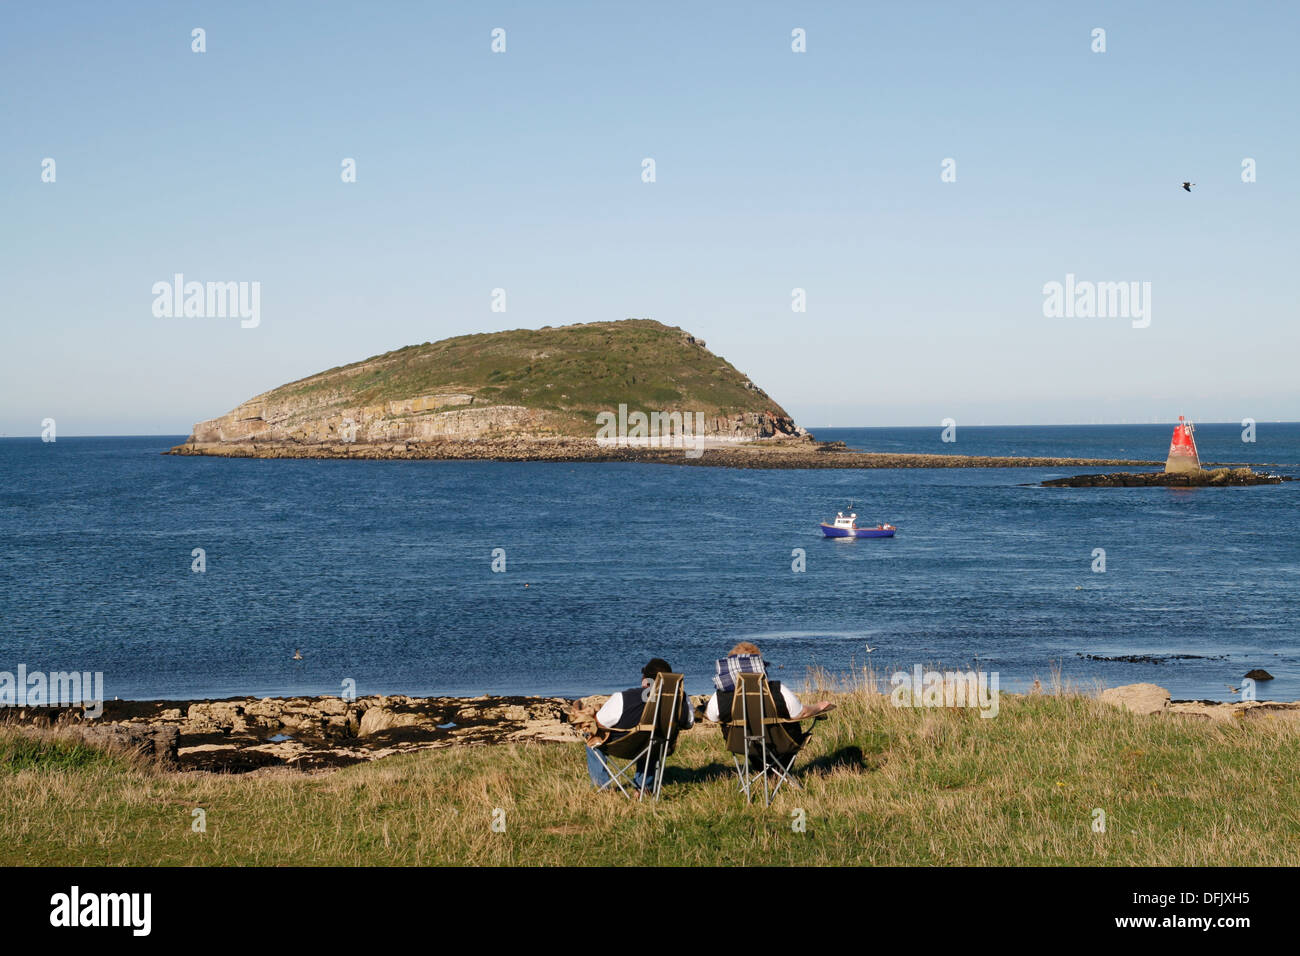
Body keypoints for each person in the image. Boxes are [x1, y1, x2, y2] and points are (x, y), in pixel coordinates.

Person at [580, 657, 694, 790]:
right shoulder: (681, 699)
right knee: (653, 738)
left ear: (645, 679)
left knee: (591, 737)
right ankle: (644, 788)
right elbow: (689, 723)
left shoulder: (623, 698)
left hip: (624, 745)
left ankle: (601, 786)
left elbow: (599, 722)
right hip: (658, 745)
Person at [704, 642, 832, 723]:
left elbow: (711, 717)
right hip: (779, 744)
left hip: (740, 745)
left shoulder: (721, 696)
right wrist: (818, 707)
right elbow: (801, 713)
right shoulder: (776, 690)